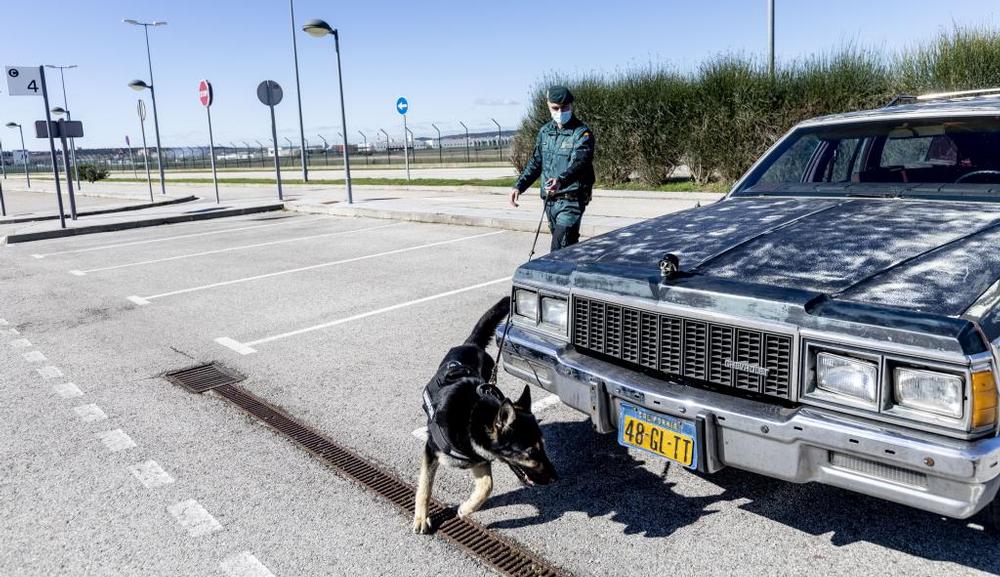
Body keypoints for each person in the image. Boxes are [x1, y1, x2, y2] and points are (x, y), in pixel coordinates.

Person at [509, 85, 595, 251]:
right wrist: (519, 185)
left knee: (559, 247)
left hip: (571, 199)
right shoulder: (545, 132)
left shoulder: (582, 133)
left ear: (571, 106)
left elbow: (580, 162)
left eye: (565, 108)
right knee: (567, 249)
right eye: (555, 108)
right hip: (549, 201)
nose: (560, 112)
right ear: (548, 105)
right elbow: (536, 162)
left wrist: (561, 181)